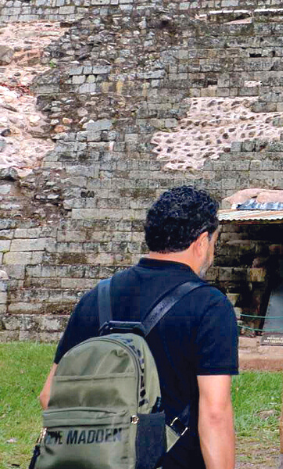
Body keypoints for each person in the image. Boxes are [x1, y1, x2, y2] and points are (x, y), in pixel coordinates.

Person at [39, 186, 237, 469]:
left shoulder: (97, 297)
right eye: (215, 242)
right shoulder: (210, 306)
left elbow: (49, 395)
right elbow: (214, 414)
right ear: (202, 241)